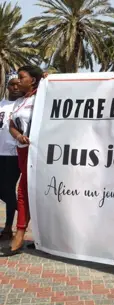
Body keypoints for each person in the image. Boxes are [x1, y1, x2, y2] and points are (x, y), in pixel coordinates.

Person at [0, 65, 45, 257]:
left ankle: (19, 235)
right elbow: (12, 125)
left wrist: (48, 78)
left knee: (27, 191)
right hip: (22, 151)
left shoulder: (42, 96)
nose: (18, 81)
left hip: (40, 153)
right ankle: (24, 233)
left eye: (21, 77)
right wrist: (18, 136)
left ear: (33, 81)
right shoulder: (19, 102)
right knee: (24, 191)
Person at [0, 75, 23, 240]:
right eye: (12, 85)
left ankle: (8, 227)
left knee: (8, 189)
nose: (15, 87)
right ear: (7, 87)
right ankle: (23, 210)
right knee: (5, 191)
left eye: (18, 84)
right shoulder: (1, 105)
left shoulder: (23, 105)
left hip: (14, 154)